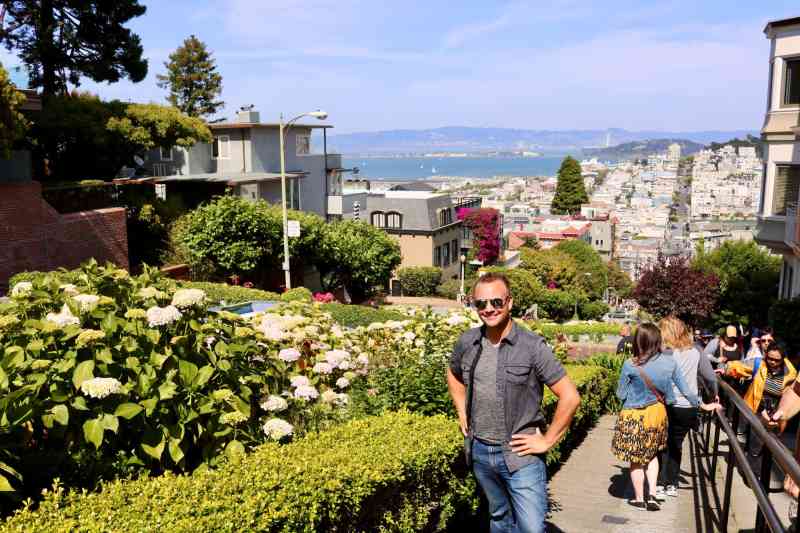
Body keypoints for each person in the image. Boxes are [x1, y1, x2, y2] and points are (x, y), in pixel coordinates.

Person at [447, 272, 581, 533]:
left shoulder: (532, 347)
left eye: (496, 302)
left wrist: (547, 440)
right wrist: (461, 408)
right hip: (481, 452)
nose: (489, 309)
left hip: (521, 456)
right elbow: (453, 373)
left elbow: (570, 396)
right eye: (481, 304)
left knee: (531, 528)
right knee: (499, 517)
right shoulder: (468, 342)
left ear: (510, 302)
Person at [612, 323, 717, 512]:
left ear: (637, 341)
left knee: (636, 459)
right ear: (657, 341)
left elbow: (620, 394)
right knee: (653, 454)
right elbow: (684, 391)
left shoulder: (630, 364)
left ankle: (638, 498)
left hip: (634, 414)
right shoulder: (669, 363)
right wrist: (703, 404)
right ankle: (653, 493)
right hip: (657, 413)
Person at [655, 316, 720, 500]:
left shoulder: (664, 353)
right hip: (687, 407)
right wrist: (713, 394)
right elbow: (710, 377)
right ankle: (672, 484)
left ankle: (660, 482)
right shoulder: (697, 351)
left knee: (662, 444)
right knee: (676, 444)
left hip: (666, 404)